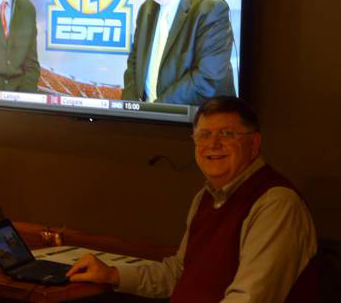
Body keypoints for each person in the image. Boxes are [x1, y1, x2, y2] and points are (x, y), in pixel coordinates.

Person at [67, 96, 318, 302]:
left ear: (253, 144)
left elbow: (249, 298)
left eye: (227, 134)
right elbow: (179, 273)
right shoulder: (206, 197)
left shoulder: (276, 204)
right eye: (204, 135)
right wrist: (112, 275)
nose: (213, 144)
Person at [122, 0, 236, 105]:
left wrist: (157, 111)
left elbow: (207, 78)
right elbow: (134, 66)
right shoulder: (147, 9)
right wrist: (129, 110)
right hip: (148, 122)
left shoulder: (210, 9)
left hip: (197, 124)